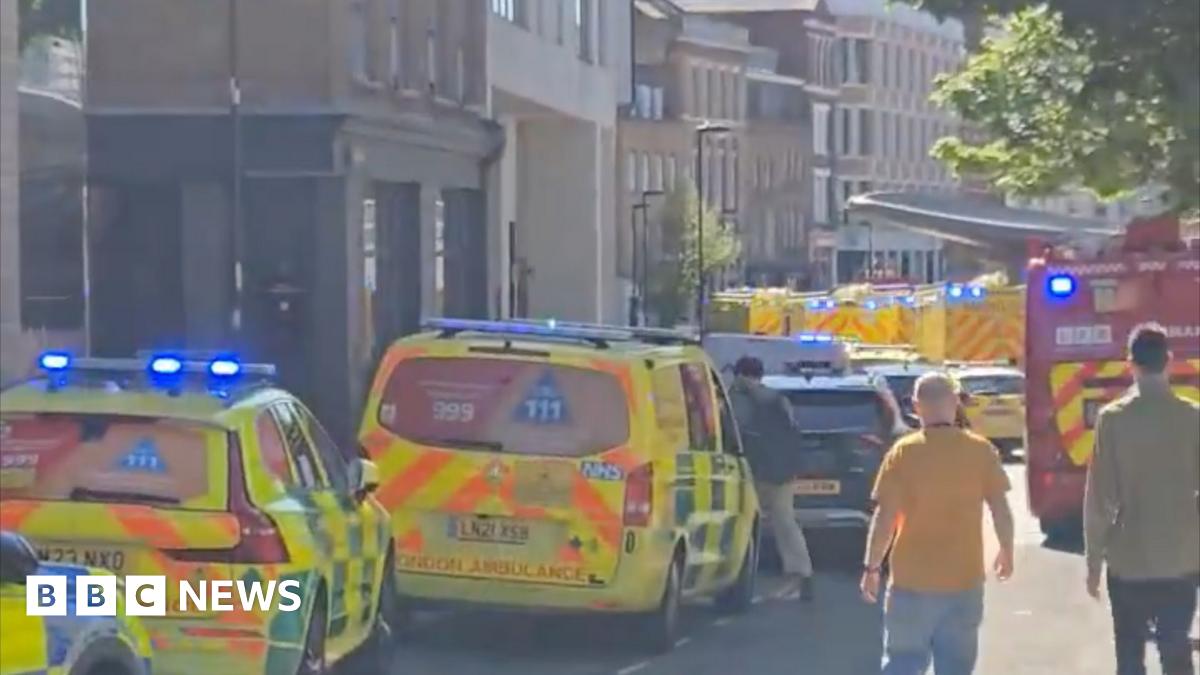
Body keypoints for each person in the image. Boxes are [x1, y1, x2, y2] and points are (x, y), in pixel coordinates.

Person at [861, 371, 1015, 675]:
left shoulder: (904, 453)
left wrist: (872, 567)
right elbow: (1000, 507)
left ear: (916, 406)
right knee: (956, 667)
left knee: (904, 662)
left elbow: (885, 517)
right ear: (956, 403)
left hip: (911, 581)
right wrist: (1006, 550)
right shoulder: (980, 450)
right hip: (964, 579)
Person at [1084, 322, 1200, 675]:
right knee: (1176, 648)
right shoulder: (1192, 418)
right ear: (1169, 360)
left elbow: (1100, 498)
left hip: (1128, 560)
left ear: (1130, 364)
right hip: (1182, 557)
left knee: (1130, 654)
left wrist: (1093, 562)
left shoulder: (1113, 420)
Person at [727, 355, 815, 602]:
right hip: (782, 472)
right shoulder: (778, 399)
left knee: (742, 524)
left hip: (752, 471)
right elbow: (793, 431)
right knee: (786, 523)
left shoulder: (740, 400)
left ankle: (736, 581)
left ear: (741, 375)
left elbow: (735, 431)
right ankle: (801, 574)